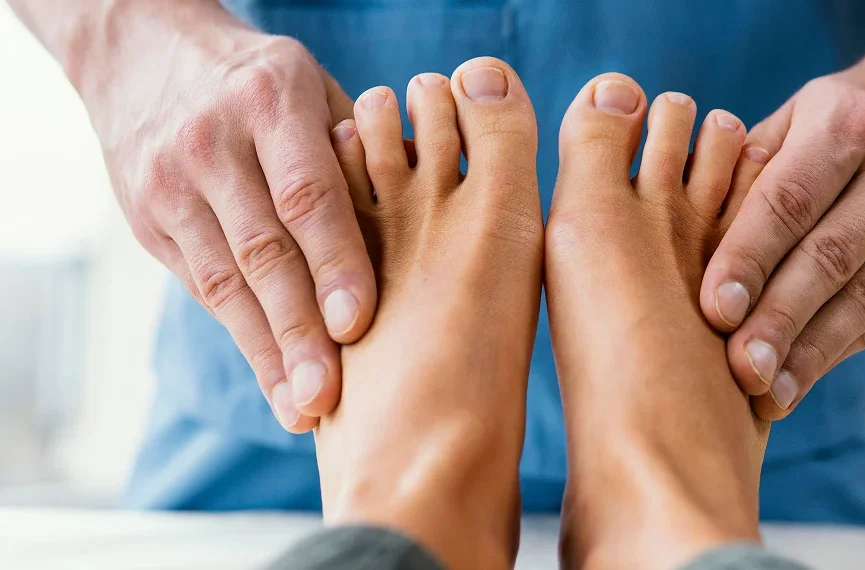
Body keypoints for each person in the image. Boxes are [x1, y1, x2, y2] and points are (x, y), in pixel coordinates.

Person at [7, 0, 865, 524]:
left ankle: (416, 521)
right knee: (690, 536)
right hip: (271, 361)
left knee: (396, 531)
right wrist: (120, 32)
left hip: (777, 371)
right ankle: (660, 521)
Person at [269, 57, 805, 570]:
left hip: (812, 483)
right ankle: (658, 509)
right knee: (693, 535)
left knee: (393, 521)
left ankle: (425, 494)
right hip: (242, 468)